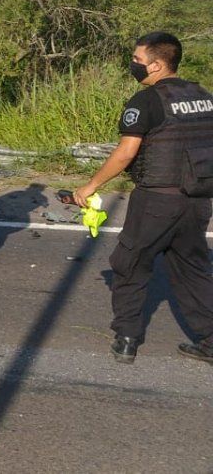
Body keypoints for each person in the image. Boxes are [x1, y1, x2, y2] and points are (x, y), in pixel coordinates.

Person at [74, 32, 213, 365]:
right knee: (192, 268)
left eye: (137, 59)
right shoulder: (203, 96)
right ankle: (210, 340)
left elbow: (125, 153)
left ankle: (126, 338)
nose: (133, 64)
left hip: (156, 202)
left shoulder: (147, 100)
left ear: (157, 65)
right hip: (197, 201)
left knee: (130, 265)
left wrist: (90, 186)